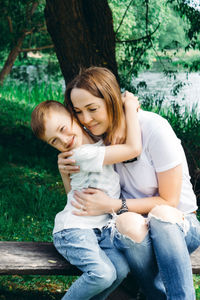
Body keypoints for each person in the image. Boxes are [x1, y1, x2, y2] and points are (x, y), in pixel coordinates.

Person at [60, 66, 200, 300]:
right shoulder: (94, 144)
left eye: (92, 109)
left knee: (162, 215)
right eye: (78, 112)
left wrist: (112, 205)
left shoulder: (154, 128)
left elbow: (169, 201)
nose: (86, 119)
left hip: (179, 226)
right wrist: (65, 171)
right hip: (133, 233)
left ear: (113, 101)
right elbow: (81, 201)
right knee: (127, 223)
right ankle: (154, 296)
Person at [30, 96, 142, 300]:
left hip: (100, 229)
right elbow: (133, 149)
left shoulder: (96, 142)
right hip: (74, 230)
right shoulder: (82, 154)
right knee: (103, 274)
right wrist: (130, 109)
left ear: (74, 116)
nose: (64, 140)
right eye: (54, 140)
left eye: (63, 129)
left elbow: (72, 192)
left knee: (121, 270)